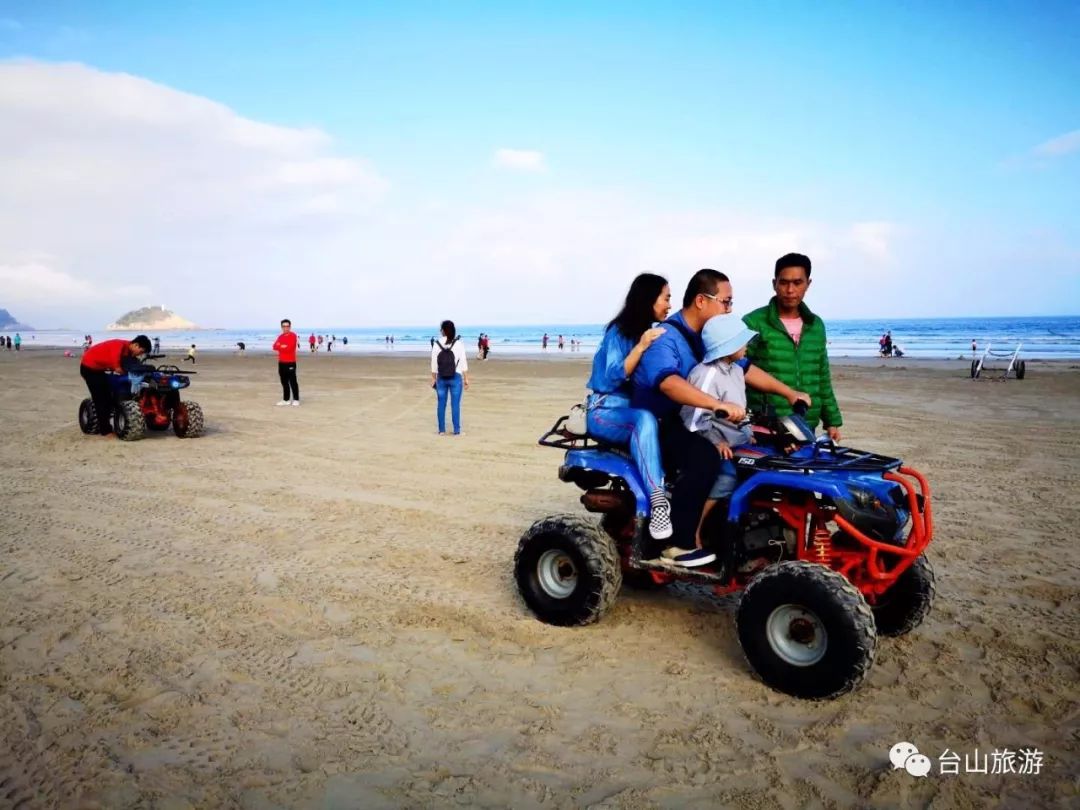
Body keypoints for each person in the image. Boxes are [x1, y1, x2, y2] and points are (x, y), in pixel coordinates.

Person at [633, 269, 809, 559]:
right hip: (660, 422)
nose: (729, 309)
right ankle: (679, 543)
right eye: (726, 302)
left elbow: (745, 369)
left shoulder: (710, 335)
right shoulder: (665, 337)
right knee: (705, 458)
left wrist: (789, 393)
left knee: (768, 450)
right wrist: (715, 405)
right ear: (702, 301)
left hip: (699, 419)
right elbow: (669, 383)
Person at [586, 273, 675, 540]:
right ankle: (658, 501)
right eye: (666, 298)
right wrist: (642, 345)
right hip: (606, 412)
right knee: (644, 420)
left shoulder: (651, 330)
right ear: (649, 299)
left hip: (631, 410)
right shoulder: (620, 332)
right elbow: (614, 374)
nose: (669, 305)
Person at [672, 316, 759, 566]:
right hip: (709, 443)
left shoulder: (736, 370)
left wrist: (747, 431)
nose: (747, 346)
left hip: (736, 440)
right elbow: (693, 418)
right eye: (742, 342)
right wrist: (713, 441)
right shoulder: (707, 374)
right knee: (727, 476)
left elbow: (739, 409)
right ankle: (694, 531)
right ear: (728, 345)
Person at [743, 253, 842, 441]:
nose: (790, 290)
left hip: (805, 425)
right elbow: (737, 369)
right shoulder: (753, 322)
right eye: (784, 282)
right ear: (774, 283)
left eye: (797, 283)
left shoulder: (816, 325)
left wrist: (832, 420)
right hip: (765, 427)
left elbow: (822, 375)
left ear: (808, 284)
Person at [79, 335, 152, 437]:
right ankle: (105, 431)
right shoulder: (119, 346)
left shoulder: (129, 351)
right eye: (141, 351)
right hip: (89, 368)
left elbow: (131, 364)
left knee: (110, 395)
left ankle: (114, 414)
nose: (140, 354)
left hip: (100, 369)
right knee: (101, 399)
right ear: (136, 345)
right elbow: (118, 368)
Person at [431, 320, 469, 435]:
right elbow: (463, 362)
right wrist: (466, 378)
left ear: (443, 330)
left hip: (441, 377)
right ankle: (457, 431)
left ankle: (441, 430)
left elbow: (433, 363)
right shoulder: (459, 344)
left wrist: (433, 378)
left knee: (441, 403)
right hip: (456, 377)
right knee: (455, 404)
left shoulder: (437, 344)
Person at [273, 319, 300, 406]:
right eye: (284, 326)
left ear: (290, 327)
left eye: (287, 326)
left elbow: (289, 348)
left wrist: (280, 346)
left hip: (290, 362)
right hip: (281, 362)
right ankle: (286, 400)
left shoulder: (293, 336)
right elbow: (274, 346)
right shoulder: (280, 337)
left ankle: (296, 399)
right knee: (284, 382)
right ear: (281, 327)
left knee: (292, 381)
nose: (285, 328)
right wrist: (282, 346)